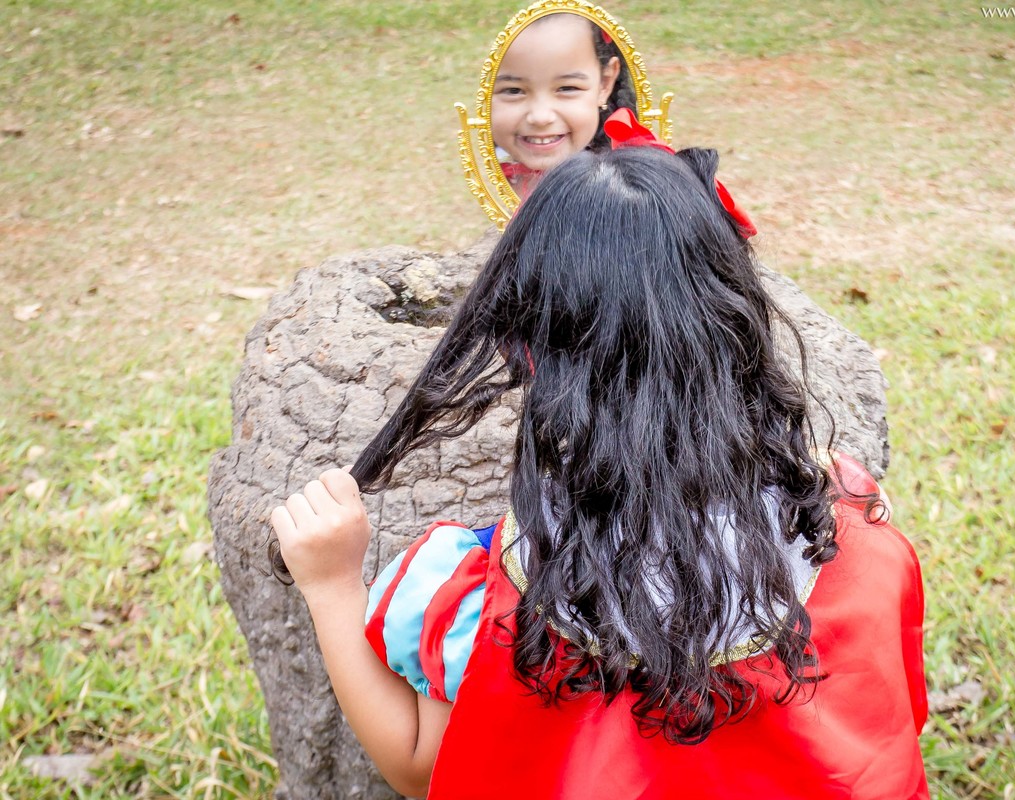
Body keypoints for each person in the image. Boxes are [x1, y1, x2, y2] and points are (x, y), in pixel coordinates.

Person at [269, 144, 929, 799]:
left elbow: (419, 765)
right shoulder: (850, 521)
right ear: (739, 320)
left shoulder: (491, 595)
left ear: (529, 347)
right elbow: (891, 717)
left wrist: (331, 586)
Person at [491, 11, 637, 197]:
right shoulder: (500, 181)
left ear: (605, 83)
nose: (540, 117)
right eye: (514, 91)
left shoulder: (627, 194)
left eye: (567, 88)